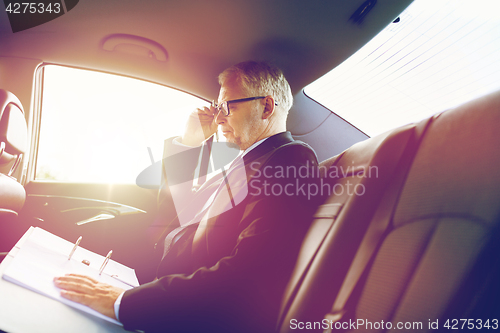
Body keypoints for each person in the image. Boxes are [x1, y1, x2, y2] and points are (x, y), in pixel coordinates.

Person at [54, 61, 321, 332]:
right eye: (218, 108)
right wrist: (189, 143)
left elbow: (250, 272)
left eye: (228, 106)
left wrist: (124, 302)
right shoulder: (242, 163)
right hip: (153, 282)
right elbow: (171, 217)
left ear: (266, 106)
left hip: (184, 311)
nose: (218, 119)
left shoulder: (289, 159)